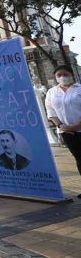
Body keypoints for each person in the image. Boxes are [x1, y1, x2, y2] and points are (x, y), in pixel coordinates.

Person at [45, 65, 81, 197]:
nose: (62, 77)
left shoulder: (79, 89)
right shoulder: (51, 92)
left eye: (65, 74)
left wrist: (75, 126)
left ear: (71, 74)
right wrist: (60, 125)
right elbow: (50, 110)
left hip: (78, 128)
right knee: (79, 158)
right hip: (66, 132)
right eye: (58, 75)